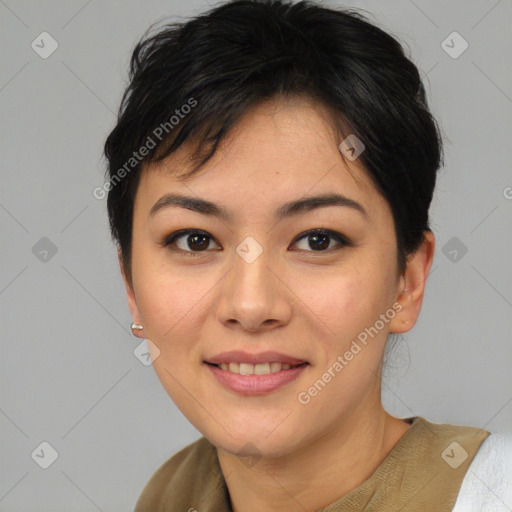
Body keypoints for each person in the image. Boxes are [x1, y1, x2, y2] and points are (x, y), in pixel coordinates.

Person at [102, 0, 512, 510]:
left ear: (408, 279)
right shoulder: (175, 494)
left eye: (318, 240)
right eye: (196, 240)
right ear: (130, 285)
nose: (251, 306)